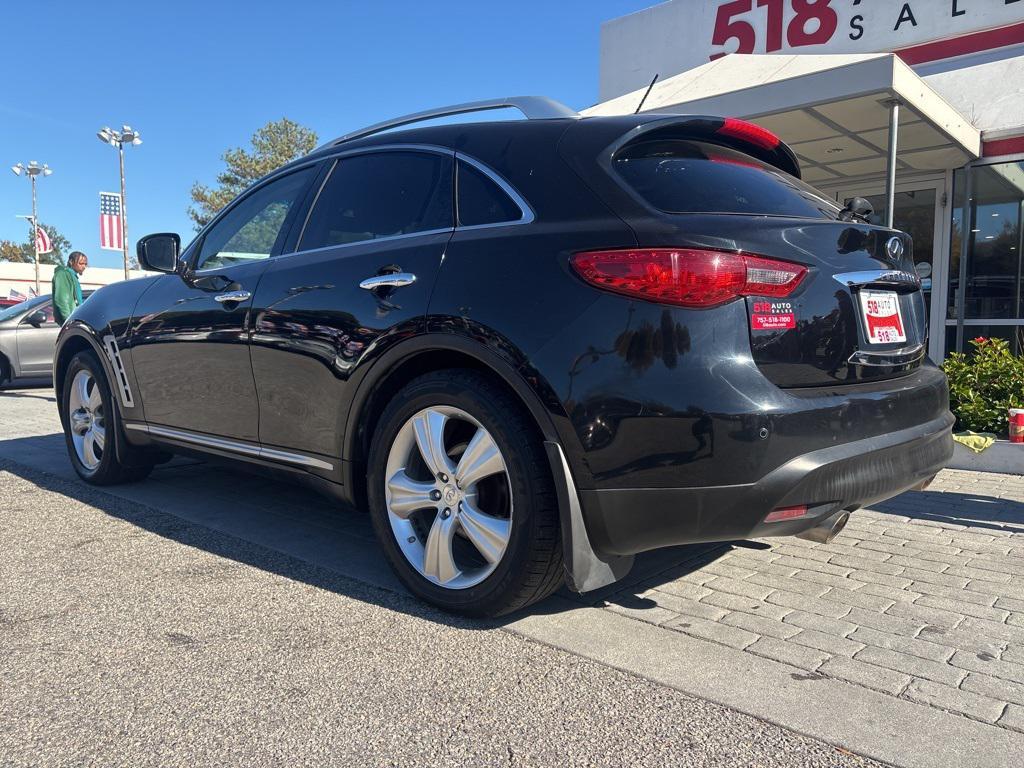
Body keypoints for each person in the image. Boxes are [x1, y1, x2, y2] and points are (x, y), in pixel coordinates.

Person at [52, 251, 87, 324]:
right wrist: (69, 321)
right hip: (68, 323)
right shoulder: (63, 274)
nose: (84, 266)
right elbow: (61, 299)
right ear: (71, 262)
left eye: (85, 264)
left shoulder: (72, 276)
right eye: (81, 263)